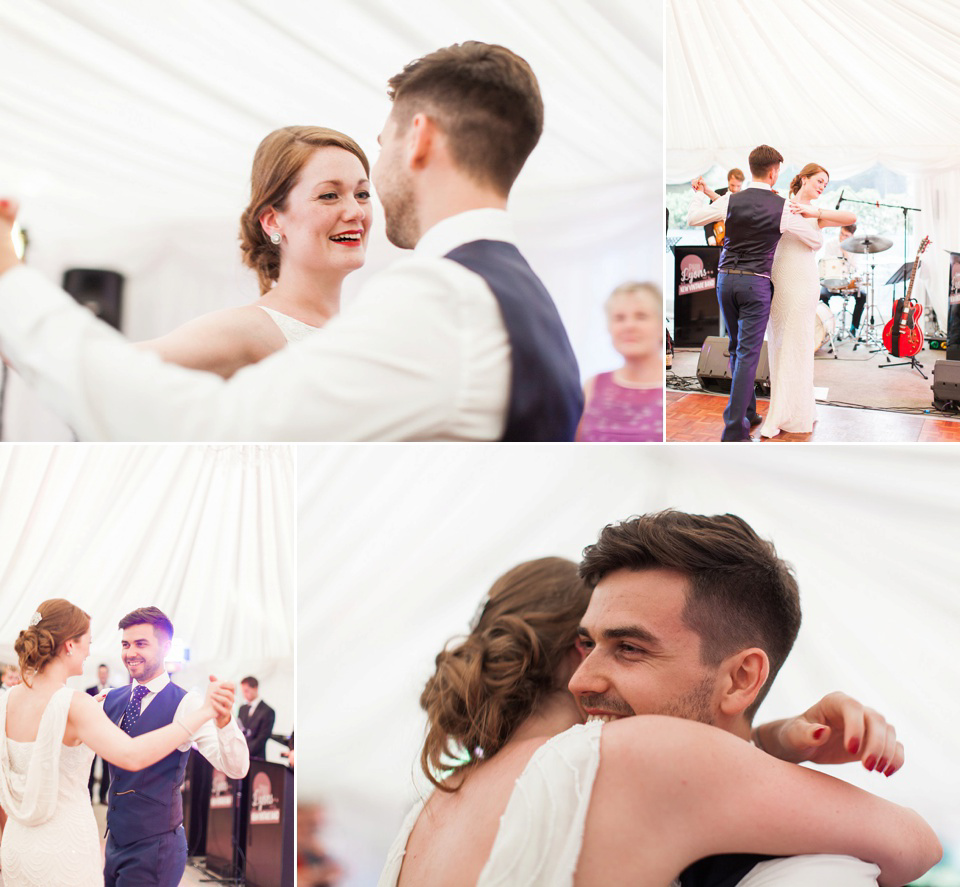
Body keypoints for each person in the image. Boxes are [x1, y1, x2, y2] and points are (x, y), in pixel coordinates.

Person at [0, 42, 582, 442]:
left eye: (376, 156)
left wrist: (11, 283)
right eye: (330, 195)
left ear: (420, 138)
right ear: (271, 221)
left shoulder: (442, 297)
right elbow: (128, 383)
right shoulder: (525, 298)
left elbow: (219, 425)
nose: (363, 200)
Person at [381, 522, 939, 886]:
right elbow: (916, 842)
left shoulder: (429, 810)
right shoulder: (628, 757)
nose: (585, 678)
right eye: (588, 644)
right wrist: (763, 741)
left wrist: (769, 740)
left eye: (627, 647)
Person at [0, 599, 233, 887]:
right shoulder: (76, 705)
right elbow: (132, 756)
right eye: (88, 641)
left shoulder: (7, 699)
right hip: (65, 846)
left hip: (16, 843)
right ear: (70, 645)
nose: (89, 650)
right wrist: (203, 713)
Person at [137, 126, 371, 378]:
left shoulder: (360, 333)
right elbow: (112, 366)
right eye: (329, 195)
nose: (356, 211)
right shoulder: (247, 330)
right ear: (273, 221)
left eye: (362, 194)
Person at [102, 606, 249, 887]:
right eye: (125, 644)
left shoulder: (188, 703)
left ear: (166, 647)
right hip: (114, 840)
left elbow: (236, 768)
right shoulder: (111, 699)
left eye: (141, 643)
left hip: (155, 847)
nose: (130, 652)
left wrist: (224, 720)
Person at [687, 146, 822, 441]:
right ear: (773, 172)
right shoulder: (783, 207)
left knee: (736, 349)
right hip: (755, 284)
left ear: (751, 169)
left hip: (724, 281)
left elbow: (693, 218)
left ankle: (748, 413)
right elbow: (814, 240)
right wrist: (808, 215)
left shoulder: (732, 199)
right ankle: (734, 430)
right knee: (748, 353)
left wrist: (699, 193)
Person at [758, 163, 857, 438]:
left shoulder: (817, 214)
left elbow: (851, 216)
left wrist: (816, 211)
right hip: (778, 281)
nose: (822, 186)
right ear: (803, 178)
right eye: (819, 180)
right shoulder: (781, 205)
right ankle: (797, 409)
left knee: (796, 346)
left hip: (802, 283)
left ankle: (782, 414)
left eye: (826, 183)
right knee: (778, 346)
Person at [577, 282, 663, 442]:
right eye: (619, 318)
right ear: (609, 327)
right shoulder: (592, 386)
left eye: (641, 316)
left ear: (660, 326)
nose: (629, 326)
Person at [819, 222, 867, 337]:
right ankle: (829, 327)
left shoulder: (855, 247)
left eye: (846, 236)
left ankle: (853, 328)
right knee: (822, 296)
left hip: (849, 283)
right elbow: (827, 264)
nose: (842, 237)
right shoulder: (831, 244)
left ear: (852, 236)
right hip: (833, 281)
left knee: (863, 296)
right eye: (841, 234)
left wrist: (846, 254)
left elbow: (856, 268)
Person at [86, 662, 112, 803]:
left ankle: (103, 797)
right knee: (90, 764)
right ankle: (89, 795)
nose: (103, 675)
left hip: (107, 734)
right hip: (92, 734)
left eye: (105, 673)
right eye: (100, 673)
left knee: (107, 768)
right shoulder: (89, 690)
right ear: (98, 674)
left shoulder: (113, 691)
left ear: (107, 674)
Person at [702, 167, 745, 245]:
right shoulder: (717, 193)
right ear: (728, 181)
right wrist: (711, 239)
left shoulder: (746, 198)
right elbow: (708, 218)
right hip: (718, 240)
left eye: (738, 186)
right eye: (732, 185)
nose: (735, 189)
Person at [238, 675, 276, 760]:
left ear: (255, 688)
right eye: (243, 692)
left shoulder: (268, 711)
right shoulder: (242, 708)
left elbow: (262, 737)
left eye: (246, 691)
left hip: (257, 759)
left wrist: (245, 751)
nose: (244, 694)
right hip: (240, 758)